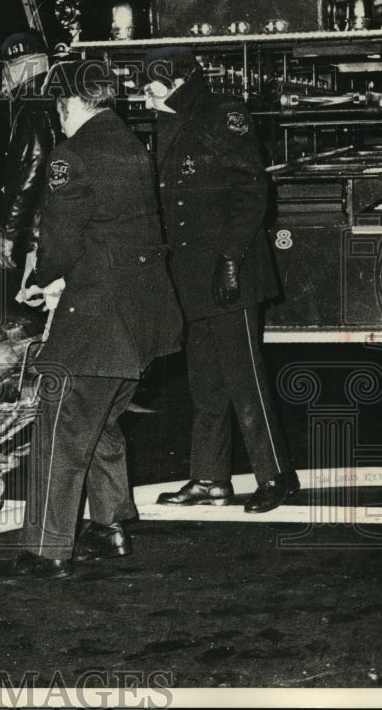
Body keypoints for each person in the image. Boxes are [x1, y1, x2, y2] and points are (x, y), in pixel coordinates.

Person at [0, 61, 182, 580]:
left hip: (100, 316)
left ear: (69, 103)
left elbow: (60, 242)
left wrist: (39, 278)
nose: (57, 116)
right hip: (145, 317)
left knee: (58, 424)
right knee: (97, 420)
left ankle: (47, 550)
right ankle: (110, 525)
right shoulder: (132, 146)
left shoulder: (71, 156)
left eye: (57, 106)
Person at [148, 47, 299, 514]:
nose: (143, 94)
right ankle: (210, 479)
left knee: (245, 380)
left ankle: (276, 477)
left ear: (176, 81)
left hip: (229, 273)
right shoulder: (171, 121)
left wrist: (232, 259)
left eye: (150, 84)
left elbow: (252, 192)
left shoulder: (223, 114)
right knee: (206, 384)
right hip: (192, 277)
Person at [0, 30, 62, 270]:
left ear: (20, 68)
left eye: (6, 70)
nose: (2, 81)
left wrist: (7, 233)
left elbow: (32, 172)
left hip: (39, 228)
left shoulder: (32, 107)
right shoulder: (52, 97)